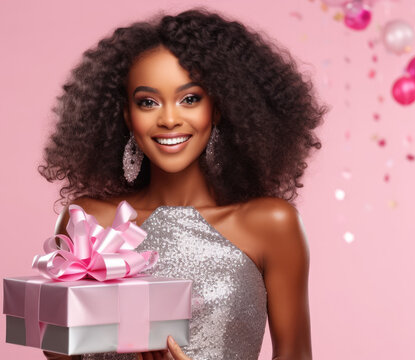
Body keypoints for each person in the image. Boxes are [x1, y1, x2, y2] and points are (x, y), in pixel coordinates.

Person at [38, 7, 326, 360]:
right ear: (127, 116)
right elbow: (57, 352)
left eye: (190, 99)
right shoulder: (87, 223)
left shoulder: (270, 224)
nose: (170, 119)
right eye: (148, 102)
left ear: (217, 108)